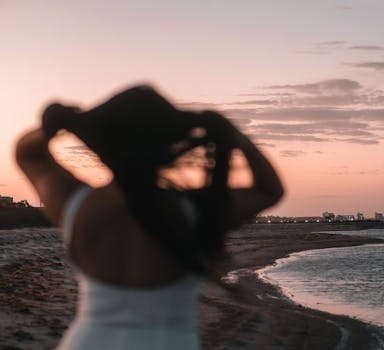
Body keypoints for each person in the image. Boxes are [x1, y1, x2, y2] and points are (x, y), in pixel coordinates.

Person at [15, 85, 284, 349]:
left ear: (102, 140)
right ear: (172, 144)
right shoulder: (195, 211)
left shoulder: (75, 204)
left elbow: (27, 153)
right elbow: (269, 190)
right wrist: (230, 133)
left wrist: (62, 123)